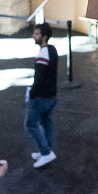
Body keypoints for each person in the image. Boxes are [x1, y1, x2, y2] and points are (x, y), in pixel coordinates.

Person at [25, 20, 59, 167]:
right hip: (51, 96)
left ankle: (46, 152)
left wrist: (32, 94)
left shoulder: (42, 55)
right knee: (46, 122)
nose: (33, 36)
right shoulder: (52, 50)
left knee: (31, 124)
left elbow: (38, 79)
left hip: (41, 97)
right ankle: (47, 149)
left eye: (37, 34)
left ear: (44, 37)